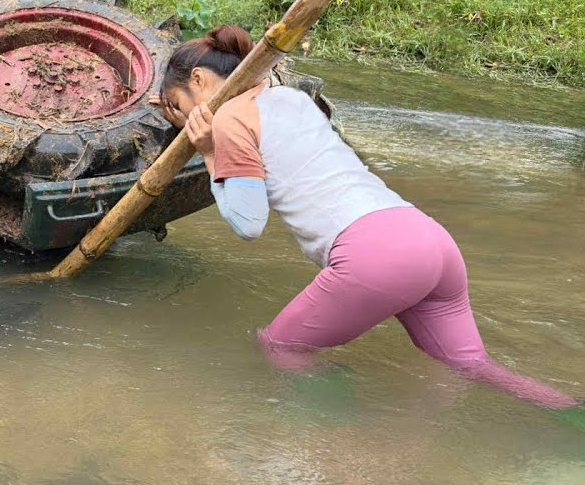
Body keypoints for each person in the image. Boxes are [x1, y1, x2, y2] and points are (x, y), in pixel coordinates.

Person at [154, 24, 582, 417]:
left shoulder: (228, 119)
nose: (183, 120)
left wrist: (209, 151)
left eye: (178, 106)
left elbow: (248, 223)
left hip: (376, 253)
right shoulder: (293, 98)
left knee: (282, 347)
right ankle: (567, 411)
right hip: (428, 238)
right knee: (470, 363)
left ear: (198, 80)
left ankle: (343, 436)